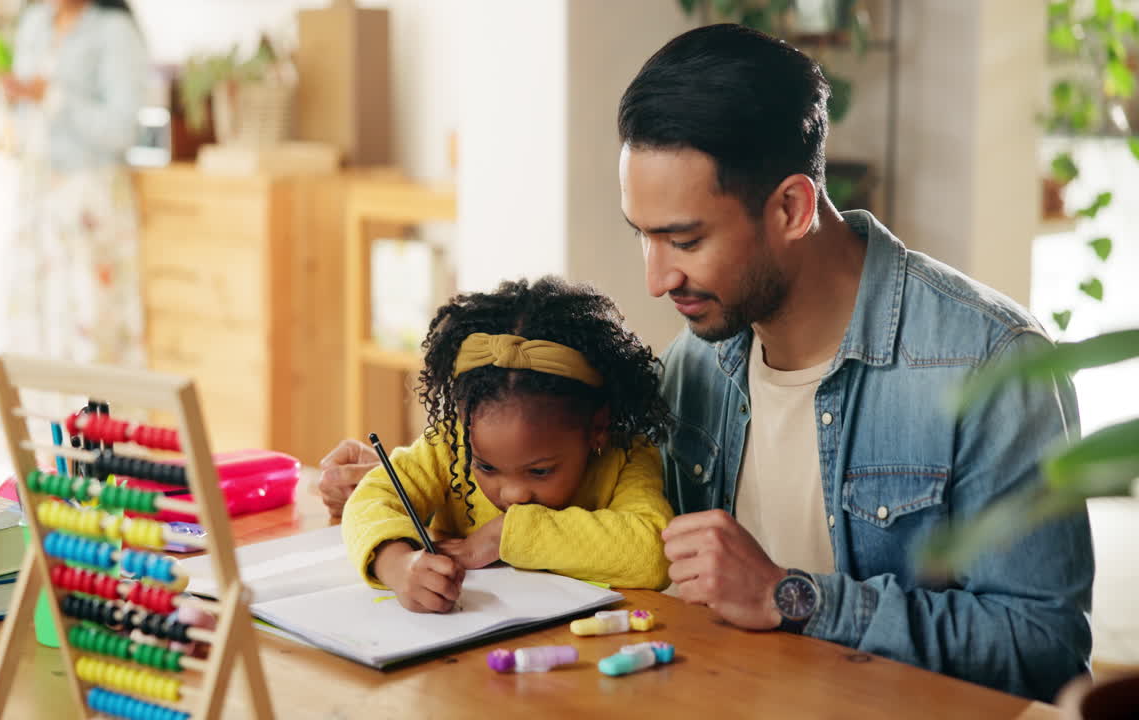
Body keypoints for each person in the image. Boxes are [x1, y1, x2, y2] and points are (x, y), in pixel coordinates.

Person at [321, 24, 1093, 702]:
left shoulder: (989, 365)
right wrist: (396, 503)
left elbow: (1042, 646)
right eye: (643, 236)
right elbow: (581, 497)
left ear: (791, 207)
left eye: (685, 241)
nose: (656, 280)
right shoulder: (695, 366)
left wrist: (795, 598)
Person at [342, 277, 674, 613]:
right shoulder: (452, 445)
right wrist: (397, 565)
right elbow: (371, 498)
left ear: (597, 428)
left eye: (540, 470)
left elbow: (654, 553)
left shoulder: (626, 456)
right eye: (486, 466)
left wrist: (504, 536)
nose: (513, 494)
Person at [1, 0, 148, 366]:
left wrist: (55, 98)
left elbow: (121, 130)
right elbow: (24, 119)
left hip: (91, 198)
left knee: (92, 328)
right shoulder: (34, 23)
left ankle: (98, 423)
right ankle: (43, 422)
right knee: (35, 328)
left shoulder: (114, 29)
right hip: (37, 197)